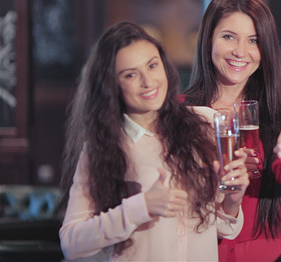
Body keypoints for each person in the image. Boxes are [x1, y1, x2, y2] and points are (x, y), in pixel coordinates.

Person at [59, 22, 248, 261]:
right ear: (112, 85)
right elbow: (72, 243)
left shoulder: (204, 124)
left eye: (152, 65)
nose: (148, 82)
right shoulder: (105, 147)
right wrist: (141, 207)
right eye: (131, 74)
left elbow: (221, 226)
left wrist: (232, 200)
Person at [183, 0, 281, 262]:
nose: (241, 52)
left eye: (254, 41)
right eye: (229, 37)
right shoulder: (181, 113)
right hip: (204, 252)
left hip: (269, 253)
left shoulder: (277, 112)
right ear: (208, 41)